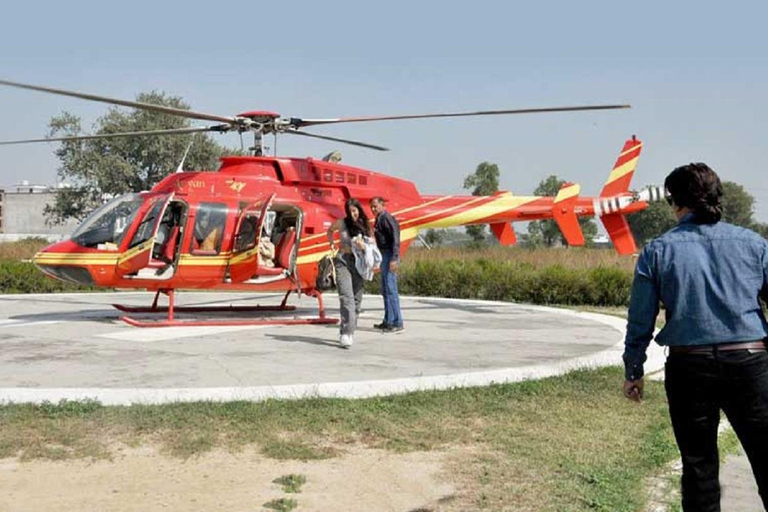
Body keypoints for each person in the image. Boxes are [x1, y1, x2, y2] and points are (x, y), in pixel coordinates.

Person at [622, 163, 768, 511]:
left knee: (699, 468)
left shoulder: (657, 251)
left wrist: (633, 370)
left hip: (690, 368)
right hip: (751, 363)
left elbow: (640, 319)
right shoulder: (754, 245)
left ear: (676, 204)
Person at [327, 198, 371, 348]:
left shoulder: (365, 225)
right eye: (350, 211)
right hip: (343, 261)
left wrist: (363, 246)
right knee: (347, 298)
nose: (352, 214)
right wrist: (332, 243)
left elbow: (372, 245)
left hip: (359, 263)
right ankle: (345, 332)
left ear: (359, 209)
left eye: (354, 210)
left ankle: (351, 329)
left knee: (357, 300)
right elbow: (330, 230)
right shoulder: (342, 223)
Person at [369, 196, 403, 333]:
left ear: (382, 205)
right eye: (371, 207)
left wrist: (394, 258)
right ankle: (388, 320)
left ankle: (397, 321)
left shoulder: (387, 218)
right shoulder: (379, 219)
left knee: (391, 289)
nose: (373, 209)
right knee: (385, 290)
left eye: (375, 206)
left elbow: (395, 237)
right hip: (384, 255)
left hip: (389, 255)